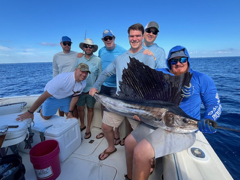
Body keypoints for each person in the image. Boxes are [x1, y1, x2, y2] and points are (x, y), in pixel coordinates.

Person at [124, 45, 222, 180]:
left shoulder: (202, 79)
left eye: (182, 59)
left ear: (188, 60)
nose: (178, 63)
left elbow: (214, 104)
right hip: (157, 122)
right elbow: (140, 81)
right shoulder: (161, 75)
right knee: (129, 143)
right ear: (168, 63)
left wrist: (210, 118)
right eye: (173, 61)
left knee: (141, 152)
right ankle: (130, 177)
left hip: (183, 128)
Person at [89, 23, 156, 161]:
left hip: (137, 105)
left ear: (143, 36)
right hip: (119, 101)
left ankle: (145, 158)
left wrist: (142, 108)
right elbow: (106, 72)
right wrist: (95, 86)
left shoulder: (148, 57)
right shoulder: (120, 58)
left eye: (138, 35)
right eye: (132, 36)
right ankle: (111, 146)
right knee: (106, 127)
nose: (135, 38)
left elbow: (151, 84)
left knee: (143, 136)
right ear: (128, 37)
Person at [16, 63, 91, 121]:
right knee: (46, 117)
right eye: (82, 71)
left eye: (86, 73)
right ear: (76, 70)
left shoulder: (83, 82)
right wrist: (30, 112)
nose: (84, 75)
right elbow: (44, 96)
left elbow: (75, 97)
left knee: (71, 116)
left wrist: (70, 111)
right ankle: (41, 110)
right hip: (52, 97)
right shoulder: (62, 79)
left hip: (65, 97)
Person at [96, 29, 127, 145]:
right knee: (103, 108)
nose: (108, 40)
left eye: (110, 38)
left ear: (114, 38)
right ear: (103, 40)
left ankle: (116, 133)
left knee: (115, 111)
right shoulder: (101, 51)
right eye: (106, 38)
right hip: (104, 85)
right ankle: (105, 131)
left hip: (117, 87)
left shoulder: (122, 51)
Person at [75, 38, 102, 139]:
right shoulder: (79, 58)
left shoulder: (98, 60)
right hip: (80, 89)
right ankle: (82, 124)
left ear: (93, 48)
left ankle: (88, 129)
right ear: (83, 48)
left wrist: (97, 88)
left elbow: (100, 75)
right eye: (86, 46)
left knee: (90, 109)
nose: (88, 48)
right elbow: (75, 72)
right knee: (80, 108)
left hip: (91, 90)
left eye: (90, 46)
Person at [52, 36, 79, 117]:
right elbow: (55, 71)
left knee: (74, 107)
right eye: (65, 43)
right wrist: (55, 85)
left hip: (74, 85)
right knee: (61, 107)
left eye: (69, 43)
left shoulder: (77, 54)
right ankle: (62, 123)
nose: (67, 45)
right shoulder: (56, 56)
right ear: (61, 44)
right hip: (61, 85)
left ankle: (74, 124)